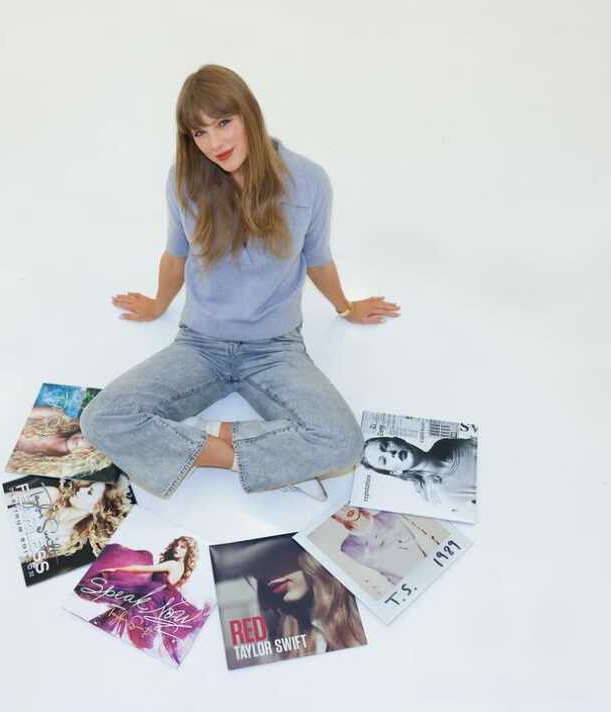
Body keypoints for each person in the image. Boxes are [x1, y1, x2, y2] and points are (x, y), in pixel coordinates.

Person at [80, 64, 400, 499]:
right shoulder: (183, 181)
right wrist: (157, 304)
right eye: (200, 132)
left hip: (275, 350)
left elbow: (318, 259)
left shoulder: (309, 181)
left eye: (224, 123)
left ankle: (208, 434)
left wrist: (346, 307)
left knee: (343, 442)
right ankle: (237, 456)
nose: (215, 144)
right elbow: (175, 255)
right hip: (200, 345)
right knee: (101, 419)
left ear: (250, 114)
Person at [75, 536, 212, 665]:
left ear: (188, 553)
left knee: (120, 623)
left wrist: (116, 568)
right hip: (151, 601)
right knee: (124, 626)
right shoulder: (182, 569)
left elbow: (142, 569)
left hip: (148, 600)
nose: (177, 548)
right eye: (177, 545)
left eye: (182, 547)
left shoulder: (172, 564)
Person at [256, 550, 367, 657]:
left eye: (275, 556)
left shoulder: (363, 605)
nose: (266, 573)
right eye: (257, 567)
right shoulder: (285, 642)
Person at [331, 505, 442, 592]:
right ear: (336, 518)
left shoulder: (390, 514)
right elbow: (376, 582)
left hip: (436, 570)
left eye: (345, 503)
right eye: (338, 510)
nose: (344, 509)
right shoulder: (349, 548)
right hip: (411, 590)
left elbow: (425, 538)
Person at [361, 436, 477, 503]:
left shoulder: (444, 444)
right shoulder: (436, 495)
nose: (391, 453)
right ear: (396, 472)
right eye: (384, 461)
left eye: (385, 446)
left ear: (398, 440)